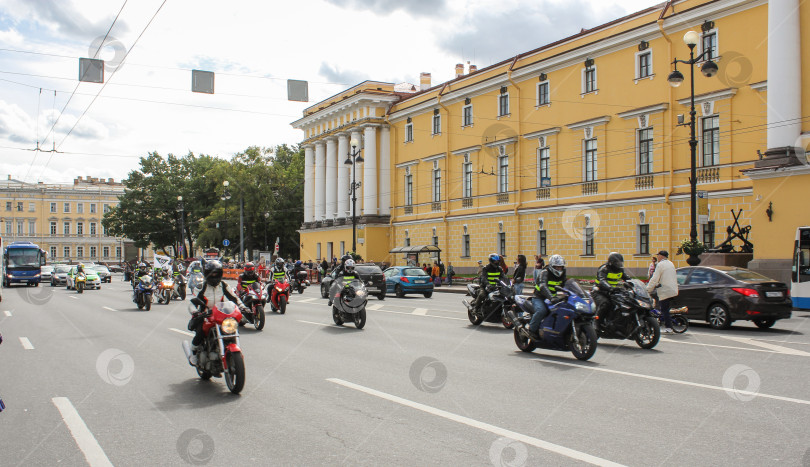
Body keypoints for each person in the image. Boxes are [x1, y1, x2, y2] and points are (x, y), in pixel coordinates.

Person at [187, 260, 247, 365]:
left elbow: (234, 298)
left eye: (216, 273)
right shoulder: (201, 287)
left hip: (221, 315)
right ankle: (194, 353)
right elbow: (192, 302)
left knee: (231, 331)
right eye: (211, 273)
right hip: (205, 316)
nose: (214, 276)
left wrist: (243, 307)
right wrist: (195, 312)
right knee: (200, 332)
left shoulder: (223, 285)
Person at [528, 254, 567, 340]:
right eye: (557, 267)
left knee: (563, 311)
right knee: (542, 311)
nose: (559, 269)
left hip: (553, 298)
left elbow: (566, 284)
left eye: (560, 267)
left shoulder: (563, 273)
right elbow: (543, 286)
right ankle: (531, 330)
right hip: (539, 297)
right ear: (552, 266)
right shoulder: (545, 272)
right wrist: (551, 297)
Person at [593, 252, 631, 323]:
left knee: (622, 302)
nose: (619, 264)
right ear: (611, 263)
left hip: (612, 292)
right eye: (617, 263)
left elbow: (627, 278)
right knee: (605, 304)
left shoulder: (620, 270)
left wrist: (633, 283)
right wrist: (610, 287)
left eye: (620, 262)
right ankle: (596, 323)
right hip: (600, 291)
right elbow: (602, 280)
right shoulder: (604, 269)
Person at [646, 250, 678, 333]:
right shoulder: (671, 263)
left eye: (658, 255)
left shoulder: (660, 265)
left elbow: (654, 278)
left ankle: (669, 327)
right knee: (665, 307)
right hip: (673, 290)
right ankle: (663, 321)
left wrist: (648, 289)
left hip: (665, 290)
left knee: (664, 309)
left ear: (661, 256)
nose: (657, 257)